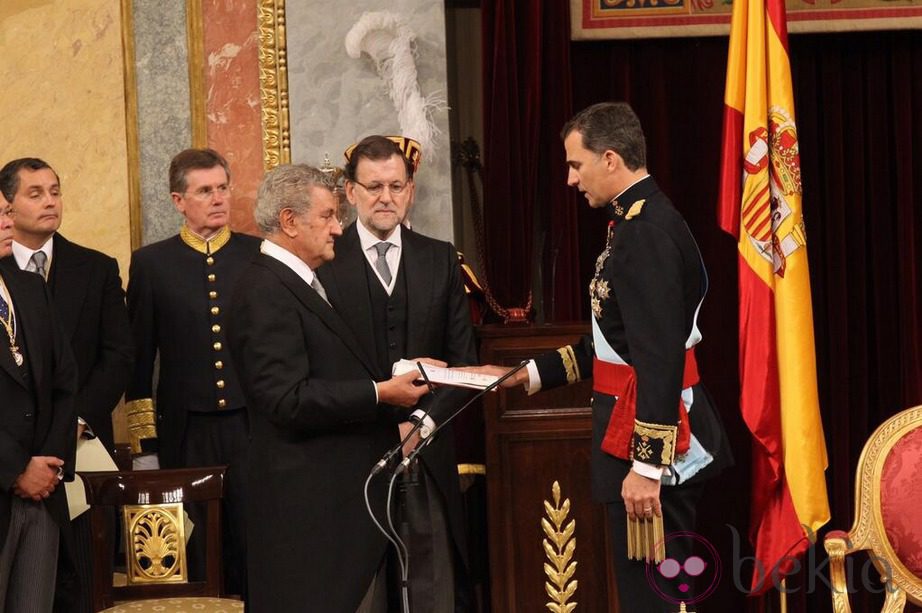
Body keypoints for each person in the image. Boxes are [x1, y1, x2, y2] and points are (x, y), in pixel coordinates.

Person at [469, 102, 732, 610]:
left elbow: (657, 358)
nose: (571, 179)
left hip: (654, 446)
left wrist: (648, 468)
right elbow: (608, 346)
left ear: (610, 159)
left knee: (658, 603)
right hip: (638, 436)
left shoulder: (647, 233)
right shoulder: (634, 223)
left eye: (575, 164)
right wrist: (524, 376)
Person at [226, 164, 432, 613]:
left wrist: (402, 371)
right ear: (289, 221)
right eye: (327, 216)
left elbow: (330, 368)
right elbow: (286, 398)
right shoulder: (264, 288)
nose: (339, 228)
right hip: (306, 514)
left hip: (334, 510)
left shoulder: (301, 281)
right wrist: (381, 393)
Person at [316, 134, 477, 612]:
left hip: (427, 449)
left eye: (396, 186)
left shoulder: (440, 257)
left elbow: (463, 363)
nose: (386, 197)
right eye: (373, 187)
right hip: (351, 452)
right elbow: (319, 364)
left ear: (410, 189)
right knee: (361, 591)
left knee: (431, 589)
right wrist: (378, 413)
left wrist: (421, 424)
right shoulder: (324, 261)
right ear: (350, 192)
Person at [124, 148, 259, 597]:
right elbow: (138, 362)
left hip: (250, 425)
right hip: (186, 430)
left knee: (251, 539)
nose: (218, 198)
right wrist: (145, 449)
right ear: (179, 201)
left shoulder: (257, 254)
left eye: (222, 188)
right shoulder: (152, 264)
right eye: (205, 191)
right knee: (196, 551)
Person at [0, 157, 133, 612]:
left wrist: (66, 429)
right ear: (10, 205)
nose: (50, 201)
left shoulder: (92, 268)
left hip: (71, 451)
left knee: (73, 584)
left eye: (55, 191)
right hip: (12, 466)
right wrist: (22, 461)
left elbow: (108, 360)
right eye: (35, 193)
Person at [0, 196, 77, 612]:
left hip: (42, 494)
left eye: (7, 211)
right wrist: (15, 469)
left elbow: (65, 380)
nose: (8, 221)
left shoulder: (30, 288)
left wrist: (47, 463)